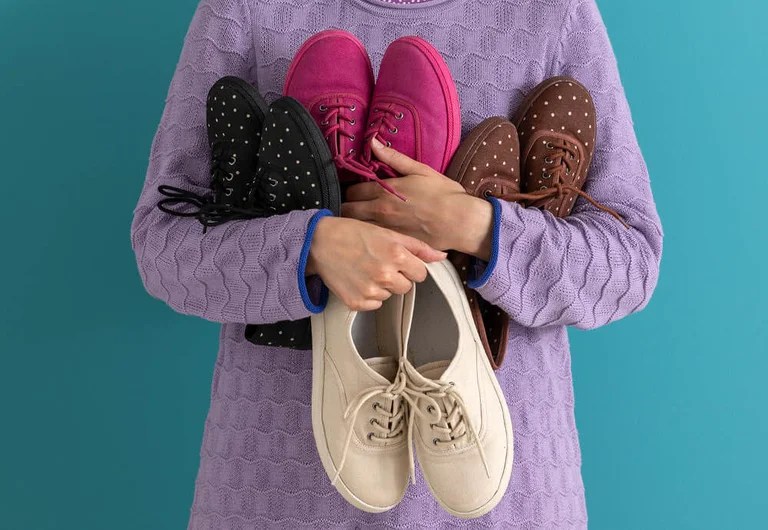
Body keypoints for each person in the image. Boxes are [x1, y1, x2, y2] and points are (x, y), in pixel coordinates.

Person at [131, 0, 663, 527]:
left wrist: (478, 228)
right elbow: (163, 244)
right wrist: (311, 248)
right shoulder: (245, 9)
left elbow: (630, 263)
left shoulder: (552, 13)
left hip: (507, 504)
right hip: (283, 502)